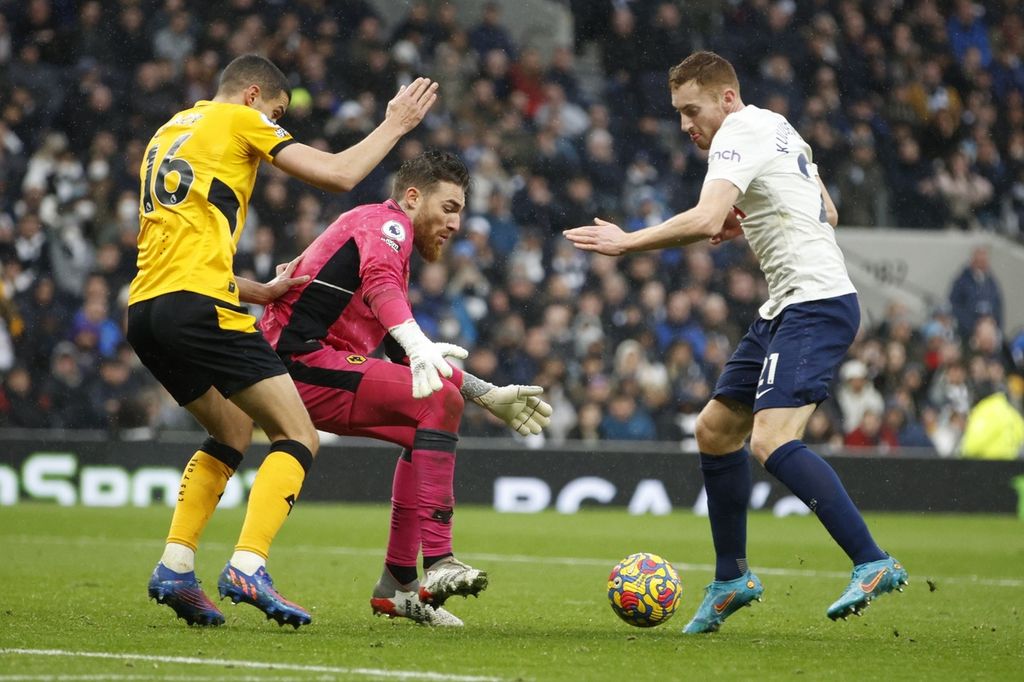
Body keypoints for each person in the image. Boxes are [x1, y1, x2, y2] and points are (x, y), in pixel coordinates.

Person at [565, 51, 907, 633]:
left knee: (771, 442)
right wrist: (744, 214)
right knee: (715, 430)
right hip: (786, 307)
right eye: (677, 113)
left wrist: (628, 242)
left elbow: (702, 220)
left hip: (814, 303)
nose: (685, 125)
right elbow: (827, 207)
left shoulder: (737, 132)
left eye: (691, 110)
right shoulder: (777, 124)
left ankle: (872, 560)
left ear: (725, 97)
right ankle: (731, 579)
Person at [127, 54, 438, 628]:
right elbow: (340, 174)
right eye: (276, 112)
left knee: (231, 429)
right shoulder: (240, 119)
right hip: (200, 308)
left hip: (148, 309)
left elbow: (175, 250)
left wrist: (261, 293)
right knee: (297, 433)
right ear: (252, 96)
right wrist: (396, 123)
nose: (275, 123)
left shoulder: (169, 130)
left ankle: (175, 564)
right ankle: (249, 564)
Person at [259, 150, 552, 626]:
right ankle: (438, 563)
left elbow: (404, 351)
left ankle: (397, 585)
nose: (457, 223)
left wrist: (487, 394)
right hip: (296, 365)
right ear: (412, 197)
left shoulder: (390, 241)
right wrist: (420, 347)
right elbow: (383, 293)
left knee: (429, 413)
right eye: (450, 208)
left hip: (314, 369)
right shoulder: (386, 225)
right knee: (437, 399)